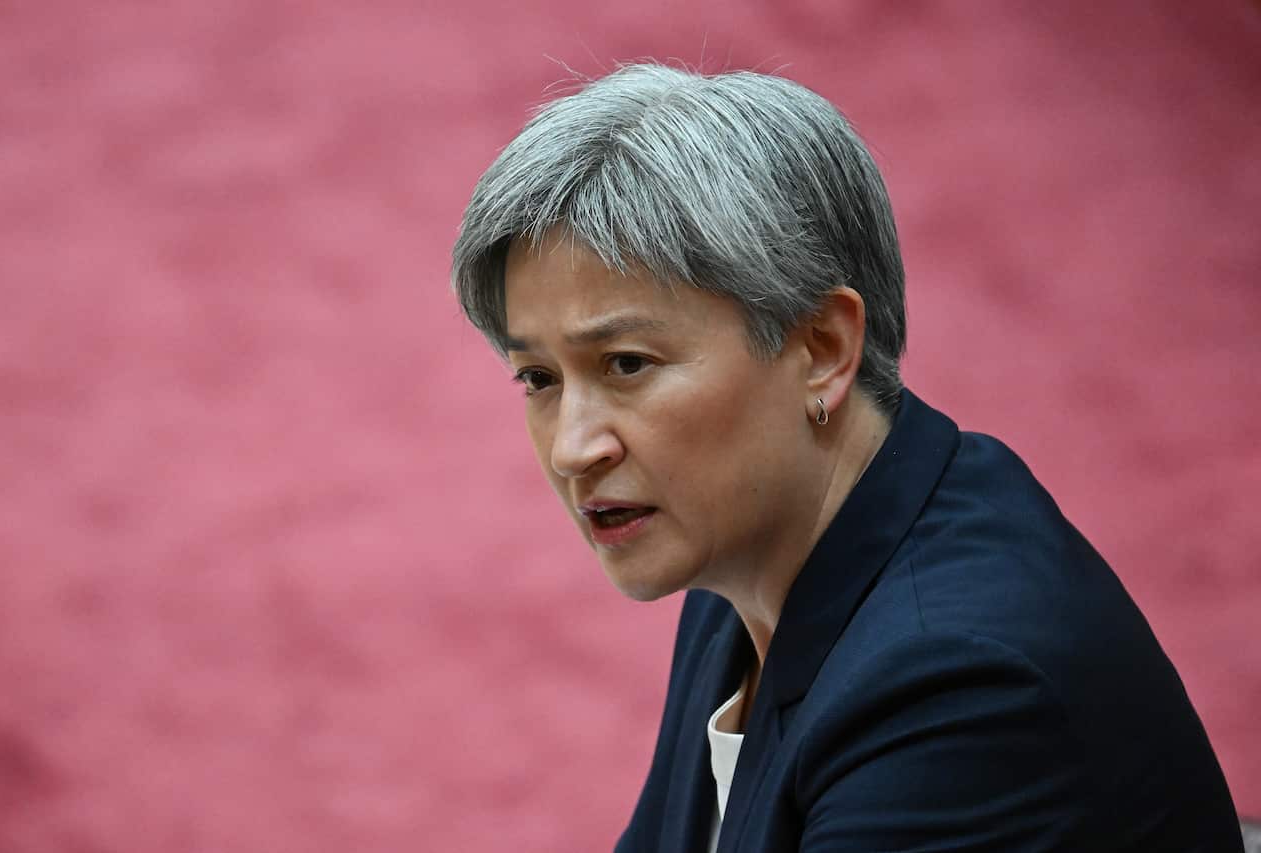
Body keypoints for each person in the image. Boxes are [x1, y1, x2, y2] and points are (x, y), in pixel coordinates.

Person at [450, 63, 1244, 852]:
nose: (572, 447)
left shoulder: (957, 688)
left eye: (626, 363)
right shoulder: (741, 573)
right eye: (539, 378)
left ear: (823, 348)